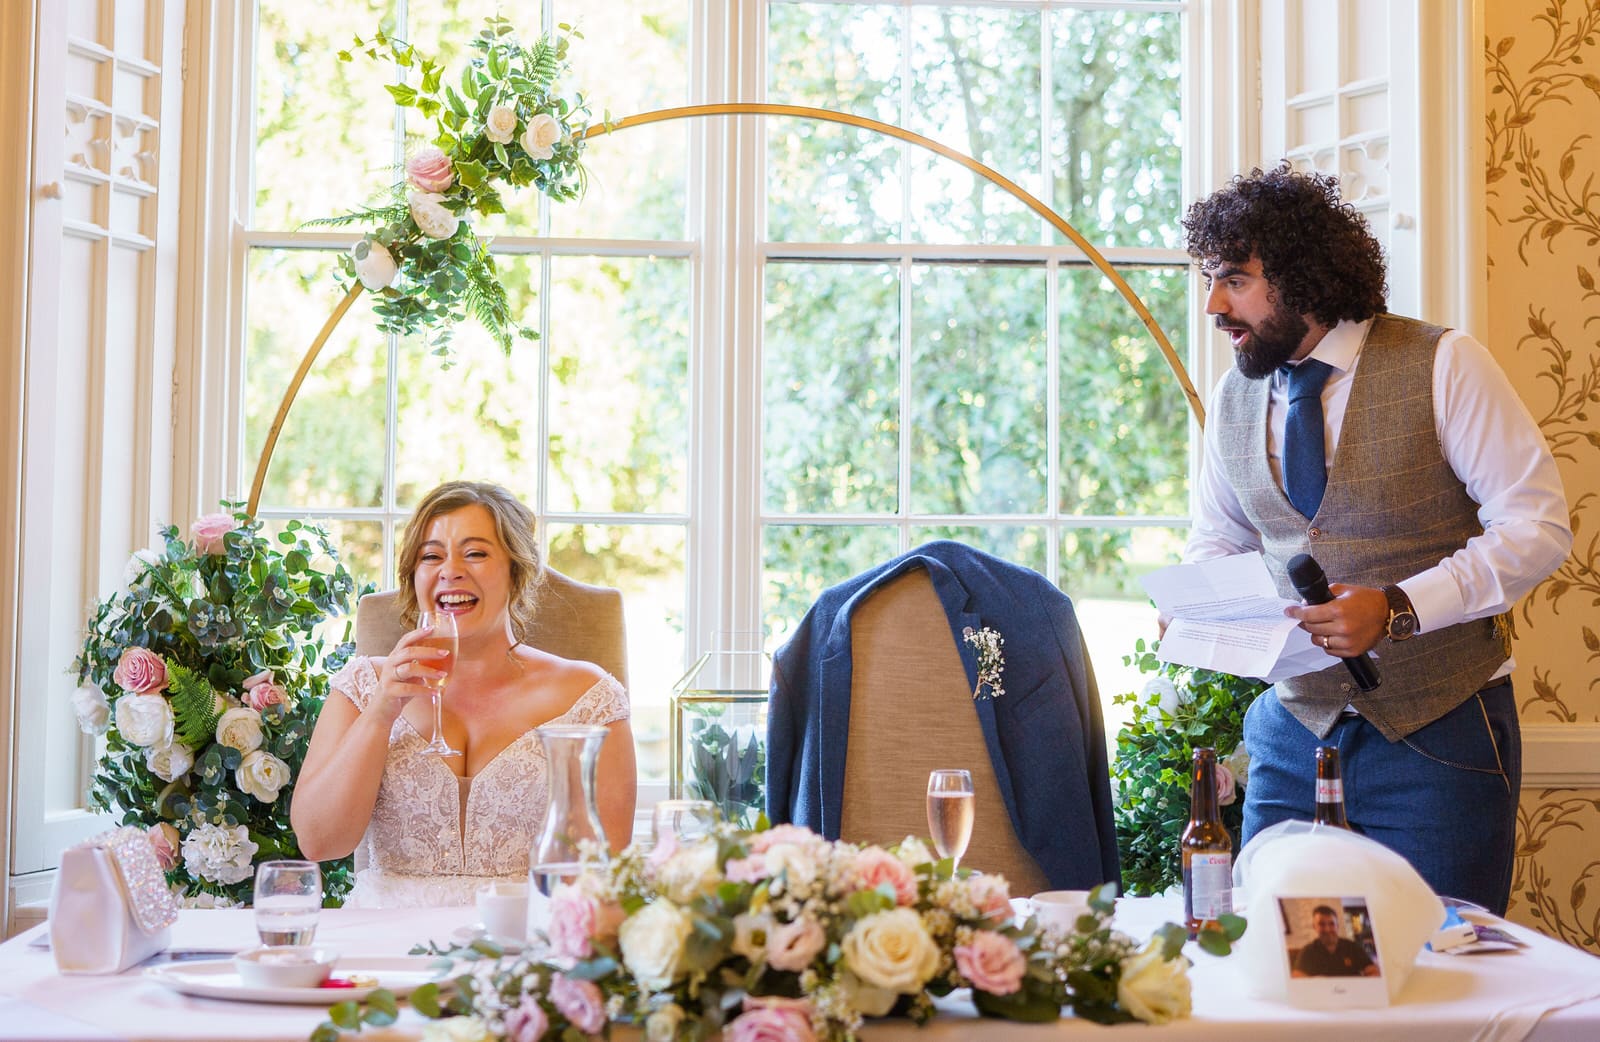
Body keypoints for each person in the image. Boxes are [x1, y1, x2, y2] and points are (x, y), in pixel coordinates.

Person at [1177, 164, 1571, 915]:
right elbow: (1219, 540)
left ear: (1303, 275)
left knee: (1445, 981)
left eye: (1234, 279)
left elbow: (1537, 526)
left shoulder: (1445, 364)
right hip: (1288, 739)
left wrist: (1397, 607)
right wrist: (1205, 606)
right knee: (1276, 978)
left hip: (1440, 739)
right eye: (1210, 278)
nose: (1213, 305)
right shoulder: (1234, 395)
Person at [291, 481, 636, 907]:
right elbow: (320, 843)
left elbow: (603, 874)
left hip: (527, 947)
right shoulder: (363, 687)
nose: (450, 570)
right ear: (414, 577)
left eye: (475, 553)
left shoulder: (588, 697)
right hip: (379, 950)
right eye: (431, 556)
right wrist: (382, 712)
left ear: (516, 569)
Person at [1292, 905, 1379, 978]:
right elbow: (1297, 977)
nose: (1327, 929)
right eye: (1321, 924)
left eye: (1331, 924)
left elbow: (1373, 970)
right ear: (1314, 927)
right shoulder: (1307, 951)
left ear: (1337, 925)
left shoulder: (1352, 947)